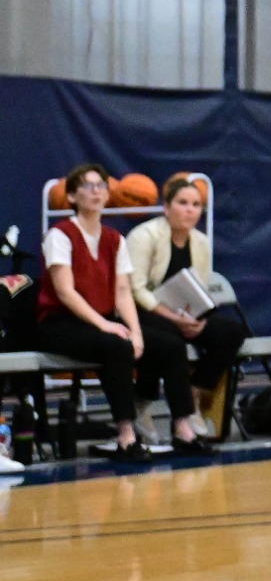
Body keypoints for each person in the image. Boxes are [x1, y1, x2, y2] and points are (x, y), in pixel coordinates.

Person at [36, 165, 218, 462]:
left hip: (101, 321)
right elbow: (65, 292)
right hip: (61, 323)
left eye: (101, 186)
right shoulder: (60, 235)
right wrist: (105, 325)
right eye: (88, 186)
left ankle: (183, 429)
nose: (97, 192)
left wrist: (135, 331)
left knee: (170, 345)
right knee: (117, 346)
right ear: (71, 196)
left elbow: (122, 292)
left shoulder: (114, 239)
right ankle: (126, 435)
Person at [126, 176, 247, 439]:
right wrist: (174, 318)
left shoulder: (201, 242)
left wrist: (197, 319)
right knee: (168, 338)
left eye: (195, 204)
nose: (190, 210)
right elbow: (136, 289)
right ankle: (144, 401)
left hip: (182, 313)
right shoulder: (144, 236)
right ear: (166, 207)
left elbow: (198, 288)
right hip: (141, 312)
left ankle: (194, 393)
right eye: (182, 203)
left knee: (231, 331)